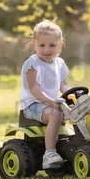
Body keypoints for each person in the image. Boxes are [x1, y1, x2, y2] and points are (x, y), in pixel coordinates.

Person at [20, 19, 70, 169]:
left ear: (60, 44)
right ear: (34, 44)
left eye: (52, 45)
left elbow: (64, 85)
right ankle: (49, 154)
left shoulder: (59, 63)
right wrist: (51, 102)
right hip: (32, 105)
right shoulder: (32, 63)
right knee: (56, 115)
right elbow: (34, 88)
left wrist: (75, 96)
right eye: (42, 45)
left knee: (76, 111)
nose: (47, 49)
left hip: (52, 103)